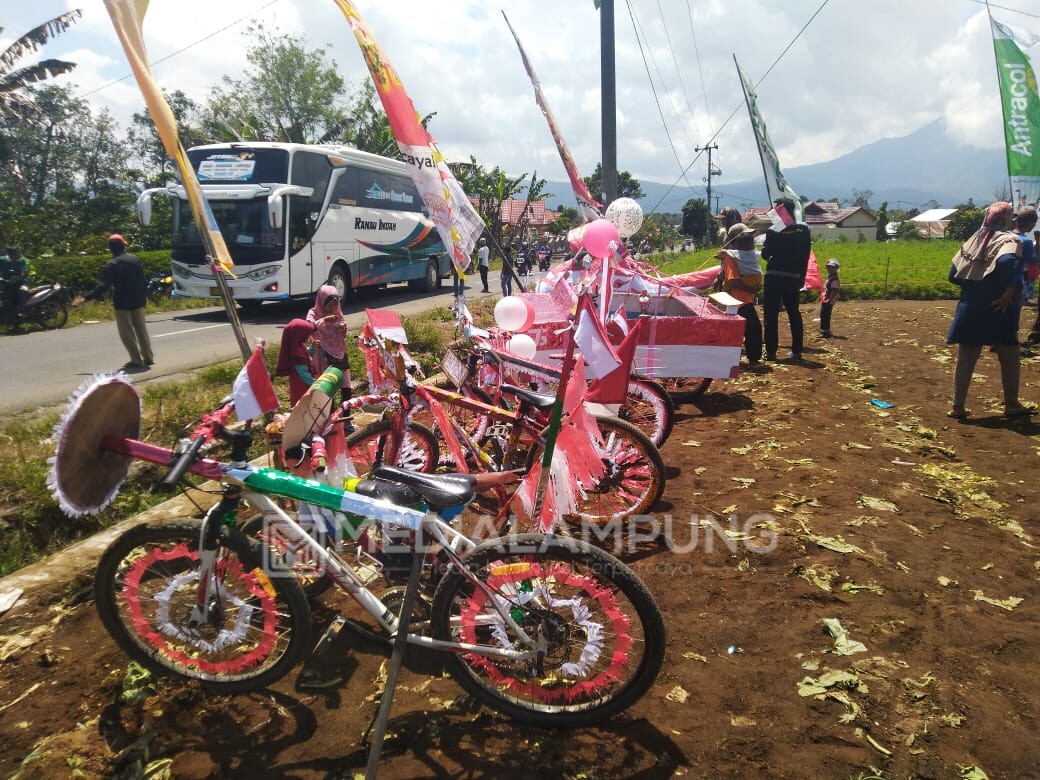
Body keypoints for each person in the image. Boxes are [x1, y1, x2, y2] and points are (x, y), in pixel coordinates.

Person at [946, 201, 1034, 419]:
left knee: (966, 357)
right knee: (1010, 355)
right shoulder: (1008, 241)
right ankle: (1011, 404)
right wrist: (1011, 287)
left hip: (970, 307)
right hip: (998, 308)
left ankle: (957, 407)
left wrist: (974, 285)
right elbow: (1005, 262)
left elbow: (952, 276)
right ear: (1006, 219)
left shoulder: (973, 241)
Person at [84, 234, 154, 370]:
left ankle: (136, 360)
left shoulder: (111, 265)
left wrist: (86, 297)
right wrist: (144, 297)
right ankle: (148, 358)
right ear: (123, 246)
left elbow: (103, 286)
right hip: (138, 300)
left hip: (122, 303)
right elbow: (142, 281)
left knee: (127, 333)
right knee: (141, 330)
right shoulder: (135, 260)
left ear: (111, 249)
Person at [761, 198, 812, 361]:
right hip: (793, 277)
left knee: (771, 314)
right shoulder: (804, 230)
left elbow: (766, 254)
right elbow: (806, 256)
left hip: (774, 275)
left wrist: (765, 249)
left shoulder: (773, 230)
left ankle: (770, 352)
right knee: (793, 313)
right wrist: (802, 276)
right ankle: (797, 351)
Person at [715, 223, 763, 365]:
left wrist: (756, 285)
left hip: (743, 300)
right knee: (752, 329)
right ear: (737, 240)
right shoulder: (730, 258)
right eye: (746, 236)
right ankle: (752, 360)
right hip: (737, 301)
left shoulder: (745, 256)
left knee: (744, 330)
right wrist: (751, 289)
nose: (750, 239)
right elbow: (732, 281)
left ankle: (734, 359)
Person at [306, 284, 351, 404]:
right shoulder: (313, 313)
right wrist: (324, 320)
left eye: (335, 305)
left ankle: (346, 417)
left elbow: (343, 333)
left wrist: (343, 329)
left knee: (346, 387)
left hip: (339, 354)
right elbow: (309, 328)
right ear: (321, 301)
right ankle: (330, 417)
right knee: (327, 388)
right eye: (329, 305)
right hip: (323, 356)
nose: (332, 309)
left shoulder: (338, 312)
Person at [276, 318, 318, 407]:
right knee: (305, 409)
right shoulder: (296, 354)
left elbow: (307, 354)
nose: (308, 337)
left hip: (304, 384)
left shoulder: (298, 346)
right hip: (302, 387)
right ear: (299, 335)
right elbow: (304, 374)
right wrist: (317, 385)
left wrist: (313, 347)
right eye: (307, 335)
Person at [1, 245, 28, 316]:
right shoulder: (2, 260)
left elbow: (23, 273)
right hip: (5, 284)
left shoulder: (22, 261)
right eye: (18, 253)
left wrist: (15, 279)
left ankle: (22, 311)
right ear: (13, 254)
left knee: (22, 291)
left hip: (21, 283)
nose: (20, 254)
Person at [820, 259, 841, 338]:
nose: (829, 269)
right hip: (826, 298)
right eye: (828, 267)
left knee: (826, 314)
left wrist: (830, 299)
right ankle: (824, 329)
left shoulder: (834, 278)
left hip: (829, 299)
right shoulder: (830, 276)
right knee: (823, 314)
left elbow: (835, 290)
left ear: (836, 268)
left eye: (832, 267)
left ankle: (826, 331)